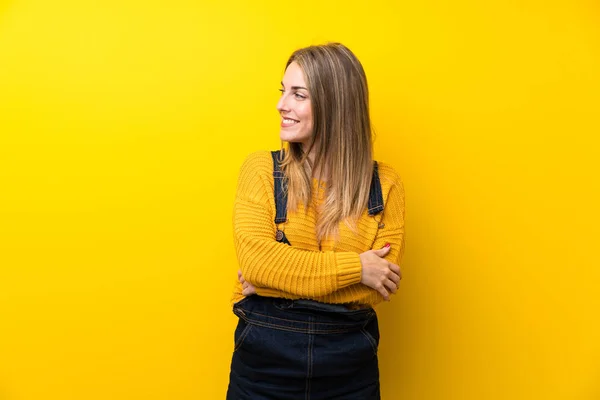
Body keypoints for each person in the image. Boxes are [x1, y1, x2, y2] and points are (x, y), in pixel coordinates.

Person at [226, 42, 405, 400]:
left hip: (350, 374)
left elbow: (378, 287)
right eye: (283, 91)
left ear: (334, 104)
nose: (281, 105)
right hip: (263, 373)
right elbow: (257, 264)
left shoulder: (385, 185)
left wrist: (276, 280)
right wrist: (357, 268)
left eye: (298, 94)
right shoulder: (261, 170)